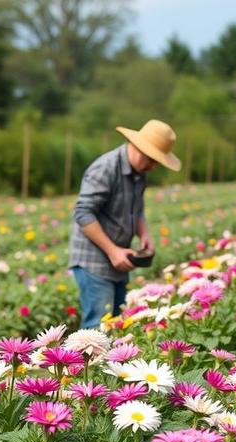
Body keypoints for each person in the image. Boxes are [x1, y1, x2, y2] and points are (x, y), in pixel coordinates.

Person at [69, 120, 181, 325]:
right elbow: (83, 213)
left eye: (157, 162)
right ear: (139, 148)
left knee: (120, 324)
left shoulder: (139, 174)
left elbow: (137, 209)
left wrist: (144, 234)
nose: (153, 166)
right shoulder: (106, 168)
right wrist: (113, 250)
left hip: (118, 260)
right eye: (152, 159)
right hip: (94, 261)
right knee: (98, 327)